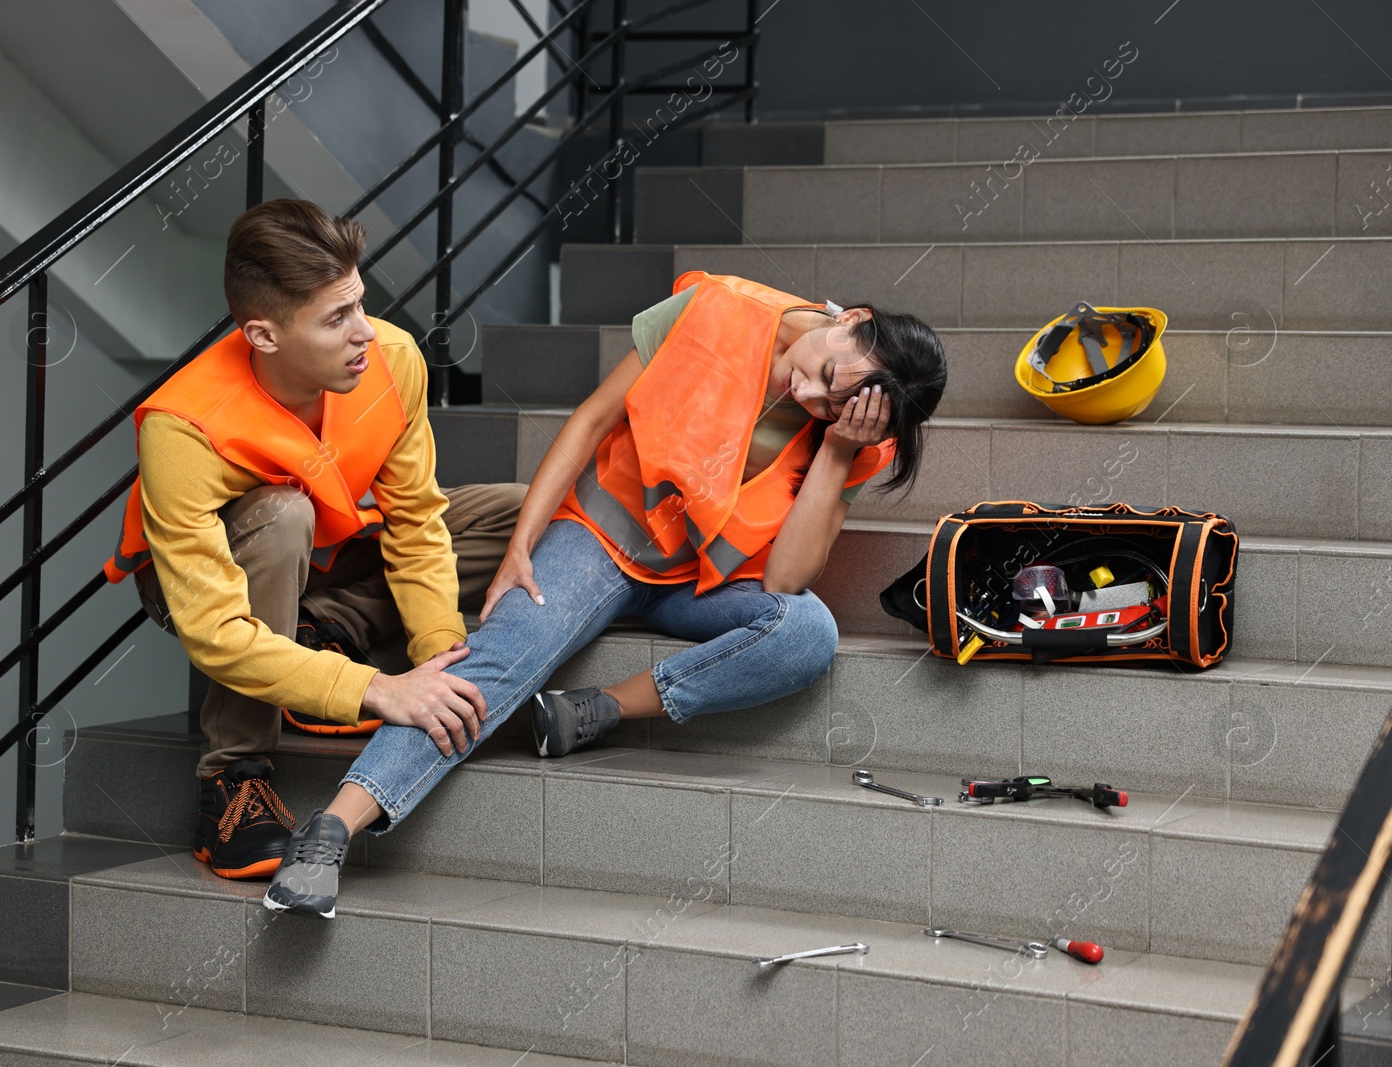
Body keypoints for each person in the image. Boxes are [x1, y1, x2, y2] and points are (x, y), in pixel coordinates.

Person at [264, 271, 947, 917]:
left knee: (808, 631)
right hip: (600, 542)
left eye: (834, 402)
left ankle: (599, 710)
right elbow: (592, 419)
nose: (813, 398)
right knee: (501, 656)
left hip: (699, 582)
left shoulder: (857, 433)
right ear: (850, 320)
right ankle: (335, 823)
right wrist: (522, 546)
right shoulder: (715, 308)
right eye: (827, 376)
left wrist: (835, 449)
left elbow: (784, 582)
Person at [104, 199, 523, 879]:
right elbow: (215, 631)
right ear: (263, 336)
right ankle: (233, 776)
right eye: (336, 319)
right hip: (204, 585)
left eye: (360, 303)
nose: (365, 332)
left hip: (325, 553)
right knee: (280, 515)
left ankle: (319, 625)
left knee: (516, 510)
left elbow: (416, 522)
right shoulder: (180, 425)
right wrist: (376, 689)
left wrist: (436, 657)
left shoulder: (390, 358)